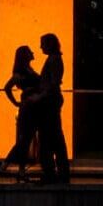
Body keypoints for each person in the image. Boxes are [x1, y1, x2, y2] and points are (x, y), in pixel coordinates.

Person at [0, 45, 39, 183]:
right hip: (29, 109)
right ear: (24, 56)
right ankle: (7, 165)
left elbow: (8, 88)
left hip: (30, 108)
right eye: (29, 52)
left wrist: (16, 102)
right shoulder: (21, 73)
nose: (32, 53)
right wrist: (16, 103)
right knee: (24, 140)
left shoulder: (26, 71)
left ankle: (15, 168)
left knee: (24, 141)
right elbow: (7, 87)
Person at [33, 32, 70, 184]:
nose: (41, 46)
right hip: (51, 102)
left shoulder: (53, 60)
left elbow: (53, 84)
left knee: (49, 138)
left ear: (49, 44)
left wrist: (39, 97)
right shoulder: (54, 59)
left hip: (49, 103)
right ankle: (59, 172)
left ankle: (51, 173)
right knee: (55, 138)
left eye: (43, 43)